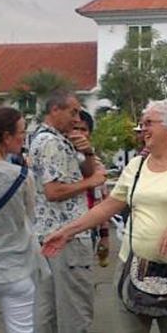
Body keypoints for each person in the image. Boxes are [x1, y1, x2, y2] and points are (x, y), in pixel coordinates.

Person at [41, 99, 167, 333]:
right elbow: (109, 206)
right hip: (131, 268)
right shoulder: (136, 166)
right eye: (142, 124)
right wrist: (65, 232)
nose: (143, 129)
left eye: (149, 123)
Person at [30, 91, 105, 333]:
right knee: (75, 313)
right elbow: (54, 190)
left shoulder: (49, 139)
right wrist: (92, 181)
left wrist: (88, 154)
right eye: (72, 112)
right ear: (55, 110)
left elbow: (76, 174)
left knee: (47, 312)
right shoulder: (51, 143)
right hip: (68, 239)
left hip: (48, 237)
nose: (77, 118)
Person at [0, 107, 39, 333]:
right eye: (22, 131)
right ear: (6, 137)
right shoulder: (22, 177)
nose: (24, 136)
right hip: (15, 269)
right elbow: (29, 219)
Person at [73, 110, 111, 267]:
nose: (80, 134)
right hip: (67, 226)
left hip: (89, 227)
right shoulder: (61, 159)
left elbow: (103, 200)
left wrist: (105, 235)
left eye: (84, 129)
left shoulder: (96, 163)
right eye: (76, 129)